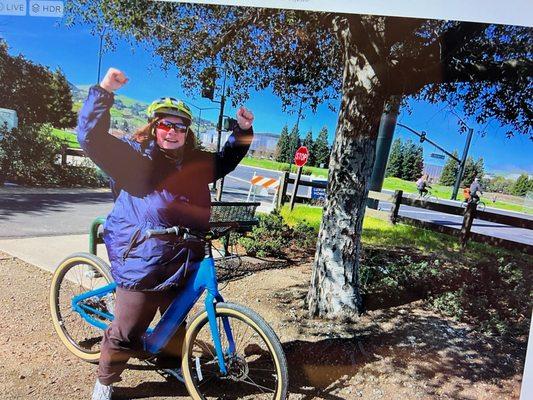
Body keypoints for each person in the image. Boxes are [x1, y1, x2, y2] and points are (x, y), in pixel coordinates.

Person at [77, 68, 254, 400]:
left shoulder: (192, 162)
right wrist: (104, 92)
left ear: (187, 132)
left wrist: (242, 131)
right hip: (144, 257)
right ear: (155, 126)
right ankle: (105, 380)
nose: (173, 131)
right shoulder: (134, 158)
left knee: (176, 317)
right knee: (127, 331)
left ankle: (170, 361)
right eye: (167, 124)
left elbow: (225, 160)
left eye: (181, 126)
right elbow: (91, 139)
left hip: (182, 255)